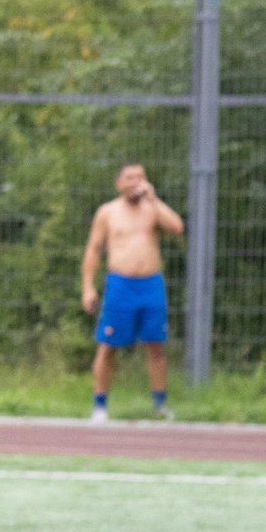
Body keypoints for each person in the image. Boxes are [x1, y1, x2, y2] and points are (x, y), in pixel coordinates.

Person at [79, 162, 184, 423]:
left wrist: (154, 199)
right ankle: (99, 406)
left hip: (150, 284)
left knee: (156, 346)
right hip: (120, 285)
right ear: (119, 184)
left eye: (140, 176)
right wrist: (88, 287)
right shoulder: (108, 212)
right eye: (129, 177)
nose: (136, 181)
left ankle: (160, 405)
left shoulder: (153, 209)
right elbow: (93, 249)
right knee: (108, 347)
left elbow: (176, 227)